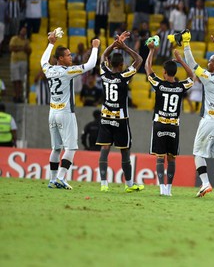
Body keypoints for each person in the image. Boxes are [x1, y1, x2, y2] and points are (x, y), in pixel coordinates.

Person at [42, 30, 100, 189]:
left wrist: (51, 43)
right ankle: (60, 177)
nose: (71, 57)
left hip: (52, 113)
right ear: (60, 59)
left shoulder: (48, 69)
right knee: (71, 147)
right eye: (68, 55)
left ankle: (52, 180)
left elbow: (43, 60)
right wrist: (95, 47)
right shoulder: (68, 72)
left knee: (55, 148)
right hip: (65, 113)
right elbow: (90, 65)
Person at [182, 27, 214, 199]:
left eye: (210, 62)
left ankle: (205, 183)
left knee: (198, 153)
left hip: (210, 120)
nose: (208, 63)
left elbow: (192, 63)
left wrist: (186, 44)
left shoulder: (208, 77)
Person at [96, 32, 144, 193]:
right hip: (121, 119)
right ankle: (129, 184)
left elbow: (103, 55)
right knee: (124, 151)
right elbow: (139, 60)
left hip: (105, 118)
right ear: (122, 64)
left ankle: (103, 184)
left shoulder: (104, 73)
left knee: (104, 149)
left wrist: (114, 44)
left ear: (109, 63)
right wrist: (124, 46)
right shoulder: (124, 76)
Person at [145, 41, 194, 196]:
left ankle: (161, 188)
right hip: (174, 126)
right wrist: (180, 60)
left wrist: (151, 51)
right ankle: (169, 189)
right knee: (171, 158)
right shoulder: (180, 87)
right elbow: (192, 76)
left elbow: (147, 69)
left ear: (165, 72)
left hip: (159, 124)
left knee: (160, 158)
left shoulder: (159, 84)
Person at [9, 26, 31, 103]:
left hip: (23, 62)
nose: (23, 32)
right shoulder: (14, 39)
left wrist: (22, 48)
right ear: (20, 31)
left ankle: (18, 96)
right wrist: (22, 48)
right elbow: (11, 48)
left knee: (20, 80)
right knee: (15, 80)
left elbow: (29, 51)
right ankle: (15, 95)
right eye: (22, 30)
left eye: (25, 31)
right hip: (15, 61)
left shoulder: (26, 41)